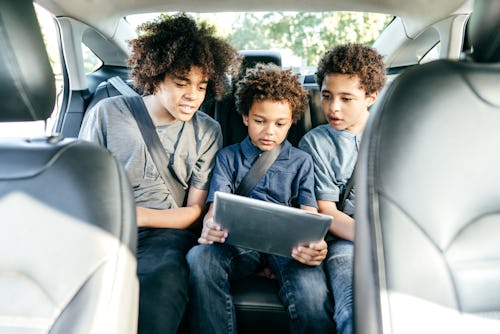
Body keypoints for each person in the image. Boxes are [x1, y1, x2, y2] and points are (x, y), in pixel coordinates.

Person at [78, 14, 240, 334]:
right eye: (181, 83)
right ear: (156, 76)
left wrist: (136, 216)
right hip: (104, 230)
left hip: (166, 235)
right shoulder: (107, 113)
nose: (193, 95)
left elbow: (194, 212)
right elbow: (82, 187)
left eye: (202, 86)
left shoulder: (208, 131)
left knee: (159, 285)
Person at [186, 63, 336, 334]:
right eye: (259, 121)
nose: (270, 131)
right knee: (200, 258)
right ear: (245, 117)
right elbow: (214, 209)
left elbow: (309, 212)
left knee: (312, 296)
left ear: (292, 121)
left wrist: (316, 245)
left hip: (288, 250)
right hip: (239, 246)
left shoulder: (302, 161)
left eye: (280, 123)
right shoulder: (228, 157)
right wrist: (210, 227)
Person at [298, 43, 386, 334]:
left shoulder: (392, 131)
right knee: (353, 307)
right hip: (345, 241)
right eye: (327, 97)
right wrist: (375, 242)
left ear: (371, 96)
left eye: (347, 99)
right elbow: (327, 211)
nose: (333, 108)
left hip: (394, 238)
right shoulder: (315, 143)